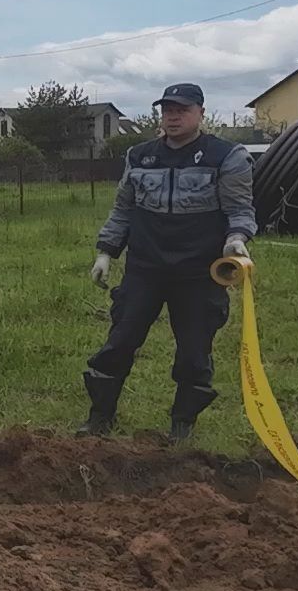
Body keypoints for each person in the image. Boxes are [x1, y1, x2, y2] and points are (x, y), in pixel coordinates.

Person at [78, 83, 256, 442]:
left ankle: (182, 427)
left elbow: (240, 209)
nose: (172, 116)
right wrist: (105, 252)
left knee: (194, 352)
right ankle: (100, 417)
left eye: (182, 110)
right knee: (120, 342)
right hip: (145, 268)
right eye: (167, 110)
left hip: (198, 273)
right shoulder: (139, 156)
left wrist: (236, 239)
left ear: (201, 113)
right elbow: (123, 210)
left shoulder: (226, 156)